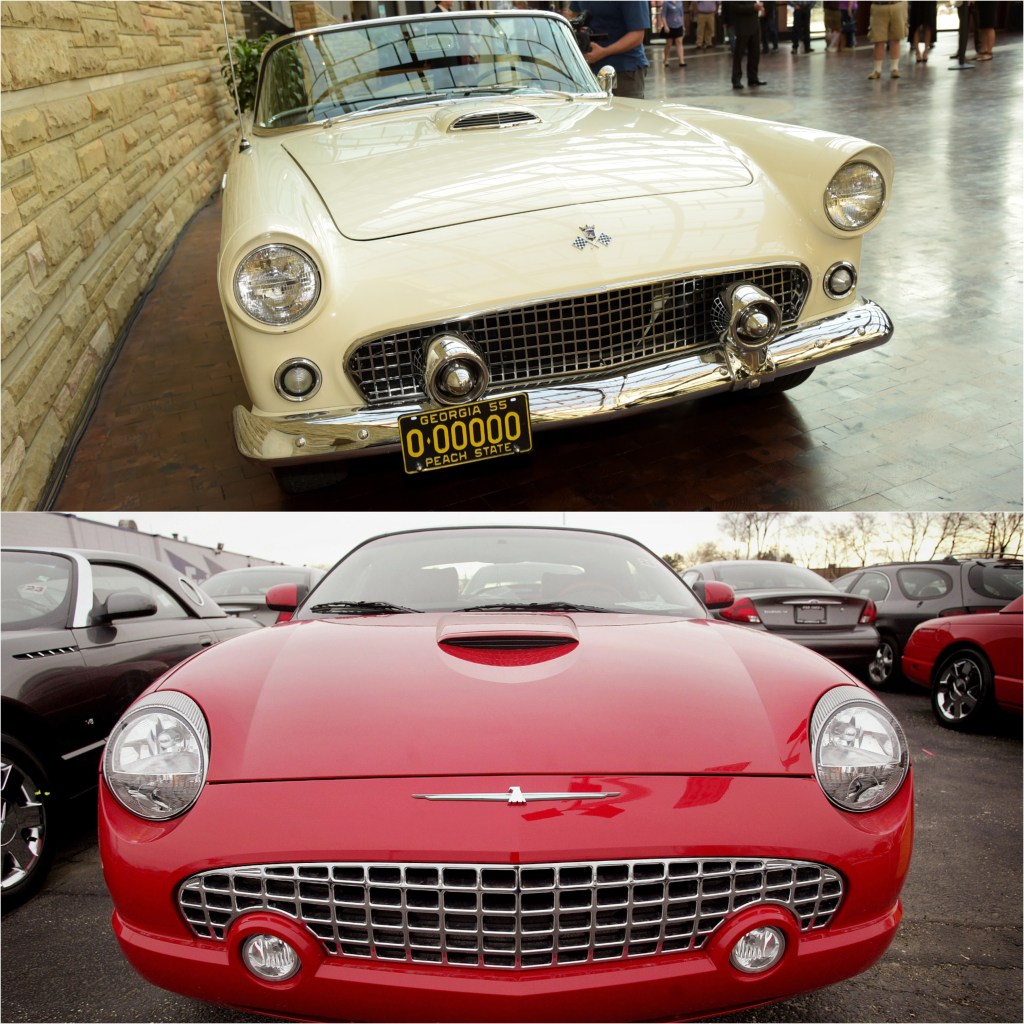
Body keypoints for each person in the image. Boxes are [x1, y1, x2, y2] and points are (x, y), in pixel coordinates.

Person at [570, 2, 651, 98]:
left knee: (625, 111)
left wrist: (604, 52)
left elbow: (637, 35)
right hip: (588, 70)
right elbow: (575, 15)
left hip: (623, 70)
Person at [867, 0, 907, 79]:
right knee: (878, 39)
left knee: (896, 38)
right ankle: (877, 70)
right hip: (878, 6)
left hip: (897, 4)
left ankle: (894, 69)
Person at [730, 1, 766, 88]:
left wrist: (761, 8)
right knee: (739, 55)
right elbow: (735, 7)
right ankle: (736, 80)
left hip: (755, 26)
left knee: (755, 54)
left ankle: (753, 78)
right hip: (743, 26)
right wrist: (752, 7)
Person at [660, 0, 688, 66]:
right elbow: (663, 15)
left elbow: (681, 15)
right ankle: (666, 59)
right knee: (669, 43)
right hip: (669, 25)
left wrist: (683, 25)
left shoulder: (680, 2)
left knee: (679, 42)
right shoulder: (666, 2)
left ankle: (681, 61)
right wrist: (665, 26)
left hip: (678, 24)